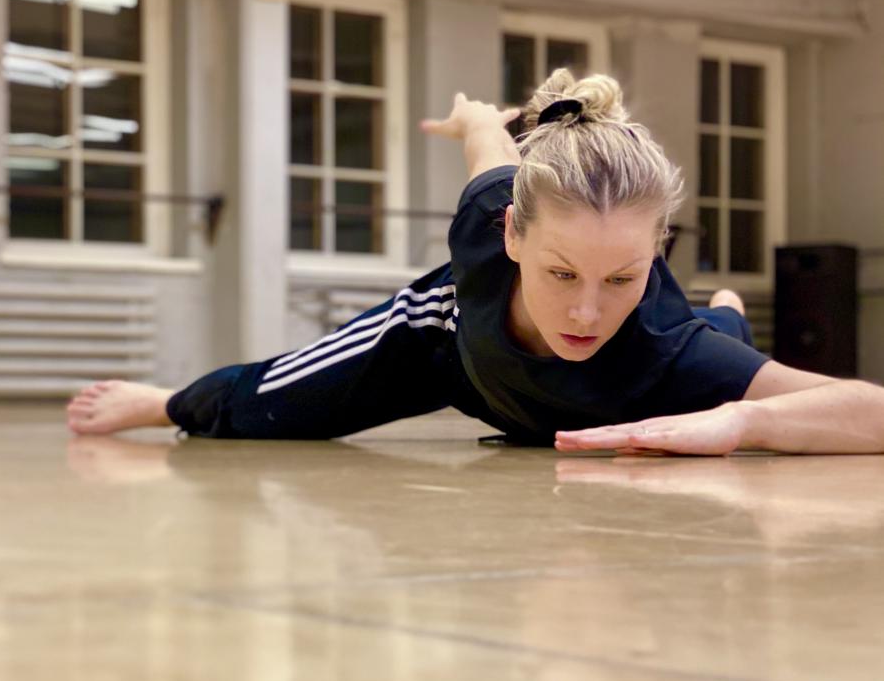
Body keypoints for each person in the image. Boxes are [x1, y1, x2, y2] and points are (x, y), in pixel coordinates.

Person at [67, 70, 884, 456]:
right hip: (448, 352)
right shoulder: (489, 214)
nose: (586, 313)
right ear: (511, 237)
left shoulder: (668, 347)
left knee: (713, 347)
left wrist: (747, 421)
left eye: (622, 277)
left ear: (654, 255)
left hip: (656, 364)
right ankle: (160, 400)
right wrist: (472, 119)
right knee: (265, 405)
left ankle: (723, 315)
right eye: (561, 273)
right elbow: (490, 147)